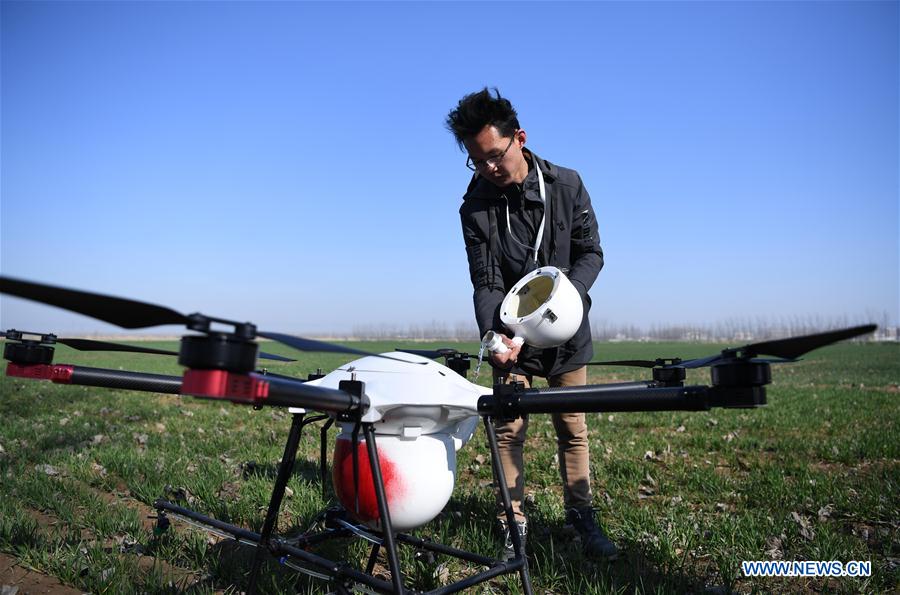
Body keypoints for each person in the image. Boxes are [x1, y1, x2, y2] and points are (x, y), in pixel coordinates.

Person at [445, 88, 618, 561]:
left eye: (495, 156)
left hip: (566, 336)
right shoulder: (474, 208)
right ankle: (512, 523)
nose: (488, 169)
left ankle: (581, 515)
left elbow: (592, 252)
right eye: (477, 162)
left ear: (519, 138)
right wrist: (494, 335)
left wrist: (567, 298)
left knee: (572, 426)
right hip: (513, 336)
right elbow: (485, 281)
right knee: (507, 430)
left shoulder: (567, 186)